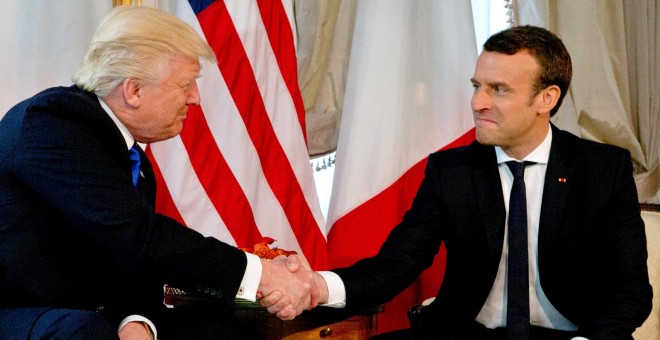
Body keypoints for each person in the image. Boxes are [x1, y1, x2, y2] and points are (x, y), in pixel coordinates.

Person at [264, 25, 653, 339]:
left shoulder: (602, 170)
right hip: (467, 333)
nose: (477, 102)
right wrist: (318, 286)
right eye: (476, 86)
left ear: (546, 98)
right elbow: (395, 265)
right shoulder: (452, 171)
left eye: (498, 89)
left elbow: (631, 291)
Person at [0, 6, 317, 340]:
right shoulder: (52, 124)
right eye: (186, 84)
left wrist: (137, 323)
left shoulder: (130, 157)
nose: (195, 98)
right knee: (87, 333)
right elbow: (139, 236)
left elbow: (135, 262)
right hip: (16, 311)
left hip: (75, 312)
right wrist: (262, 274)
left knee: (219, 327)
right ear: (133, 90)